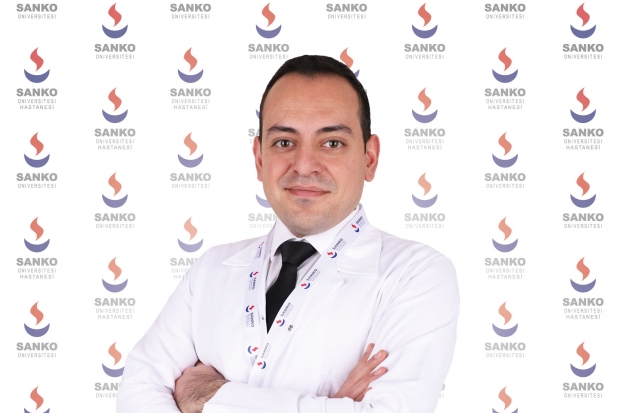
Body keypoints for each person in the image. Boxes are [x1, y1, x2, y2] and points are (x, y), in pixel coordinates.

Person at [117, 55, 459, 413]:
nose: (305, 165)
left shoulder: (416, 275)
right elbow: (136, 393)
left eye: (332, 143)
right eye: (284, 142)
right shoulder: (211, 269)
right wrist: (331, 405)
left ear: (369, 158)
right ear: (259, 158)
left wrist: (204, 396)